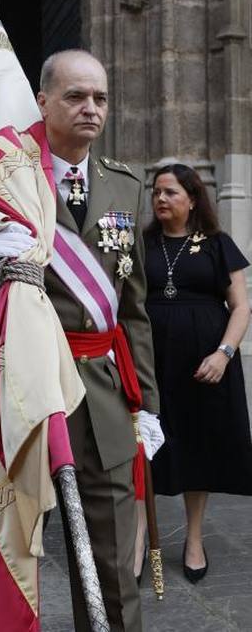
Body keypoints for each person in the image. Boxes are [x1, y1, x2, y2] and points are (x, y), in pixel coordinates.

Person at [0, 49, 163, 631]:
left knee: (113, 570)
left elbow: (133, 309)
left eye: (101, 98)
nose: (91, 109)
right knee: (9, 551)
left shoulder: (125, 187)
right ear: (43, 101)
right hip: (23, 394)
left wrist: (148, 407)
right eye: (75, 96)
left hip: (104, 399)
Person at [143, 163, 252, 582]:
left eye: (170, 192)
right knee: (147, 445)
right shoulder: (144, 242)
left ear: (192, 198)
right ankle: (142, 540)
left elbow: (241, 306)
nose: (161, 198)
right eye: (157, 191)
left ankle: (192, 539)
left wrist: (224, 353)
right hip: (153, 360)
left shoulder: (217, 244)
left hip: (205, 365)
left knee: (198, 446)